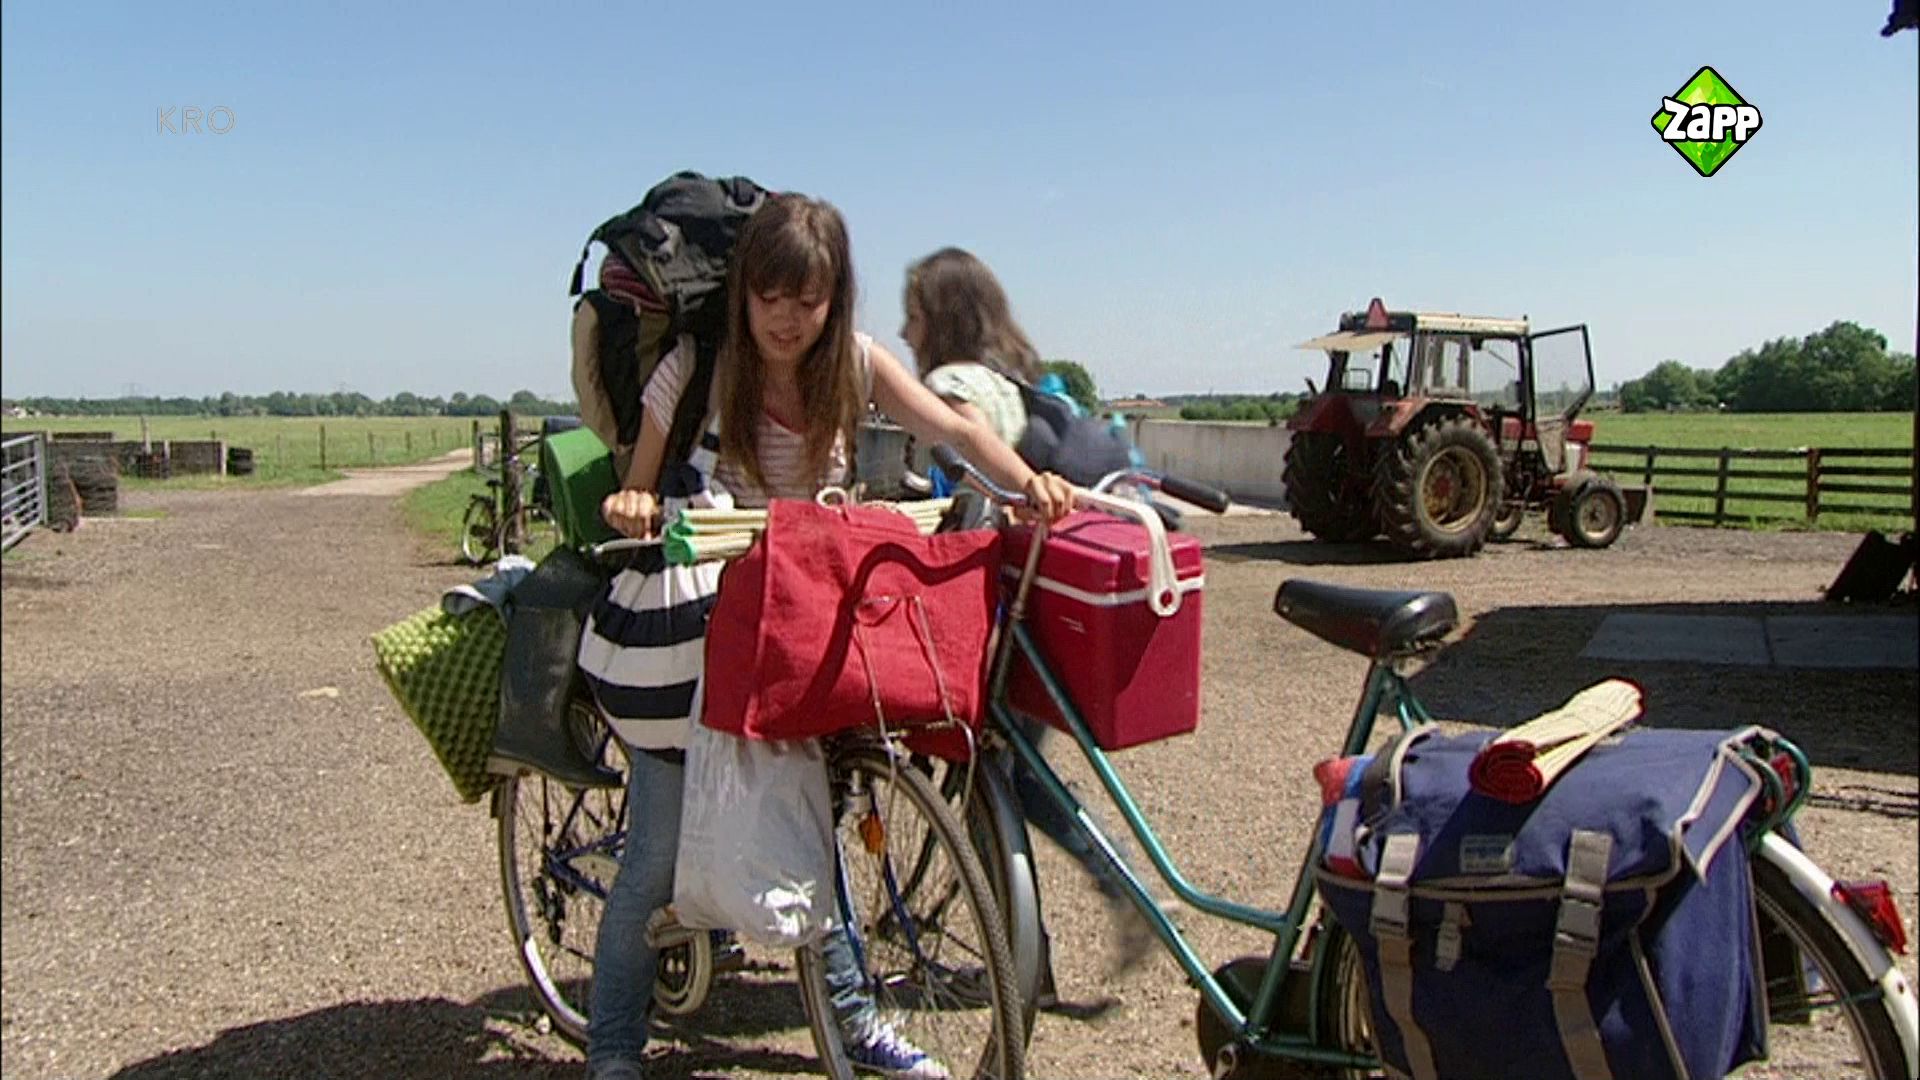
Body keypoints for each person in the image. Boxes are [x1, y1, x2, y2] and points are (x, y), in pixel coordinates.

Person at [586, 197, 1073, 1080]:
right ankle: (613, 1047)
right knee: (655, 855)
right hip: (699, 636)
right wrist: (635, 502)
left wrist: (1027, 482)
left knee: (825, 837)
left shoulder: (852, 363)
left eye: (806, 299)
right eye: (768, 295)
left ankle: (854, 1027)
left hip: (799, 627)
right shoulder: (697, 371)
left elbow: (954, 428)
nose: (786, 317)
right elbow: (641, 486)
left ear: (834, 298)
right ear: (743, 292)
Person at [899, 247, 1172, 999]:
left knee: (996, 780)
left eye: (913, 313)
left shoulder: (954, 387)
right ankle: (1049, 948)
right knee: (1016, 779)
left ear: (941, 319)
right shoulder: (1012, 379)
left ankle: (1045, 950)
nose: (904, 328)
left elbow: (975, 475)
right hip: (1049, 603)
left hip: (1003, 617)